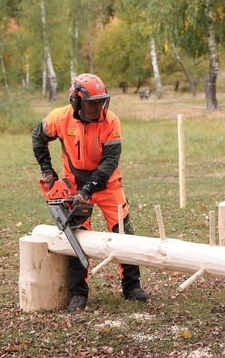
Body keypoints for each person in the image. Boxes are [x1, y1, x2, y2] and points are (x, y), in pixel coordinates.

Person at [32, 73, 150, 313]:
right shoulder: (60, 118)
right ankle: (78, 293)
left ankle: (131, 285)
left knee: (123, 231)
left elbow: (109, 162)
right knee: (76, 235)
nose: (98, 106)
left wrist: (88, 190)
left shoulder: (111, 121)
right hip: (73, 182)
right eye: (92, 102)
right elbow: (38, 137)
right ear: (77, 102)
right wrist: (48, 169)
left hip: (107, 184)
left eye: (101, 101)